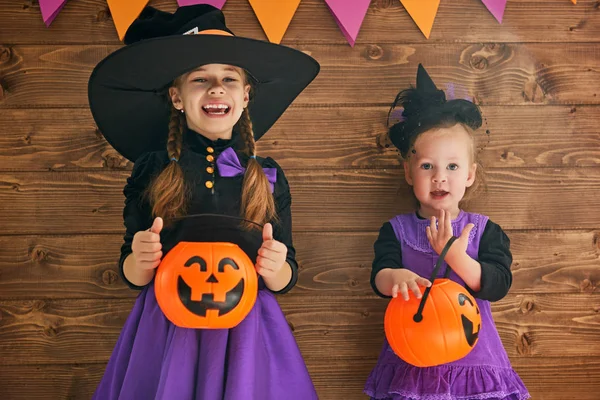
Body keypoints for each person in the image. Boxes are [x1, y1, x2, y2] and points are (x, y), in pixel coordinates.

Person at [87, 5, 320, 399]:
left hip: (247, 331)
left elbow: (287, 275)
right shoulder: (153, 169)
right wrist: (139, 260)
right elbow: (131, 269)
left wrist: (277, 267)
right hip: (167, 328)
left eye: (229, 78)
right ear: (176, 97)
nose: (216, 88)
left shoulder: (266, 175)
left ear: (246, 96)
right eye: (201, 79)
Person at [364, 64, 530, 400]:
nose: (440, 177)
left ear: (469, 174)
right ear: (410, 173)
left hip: (475, 363)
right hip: (412, 363)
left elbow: (498, 284)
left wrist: (456, 254)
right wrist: (396, 276)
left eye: (452, 166)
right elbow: (379, 277)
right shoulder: (396, 230)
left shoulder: (485, 231)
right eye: (428, 166)